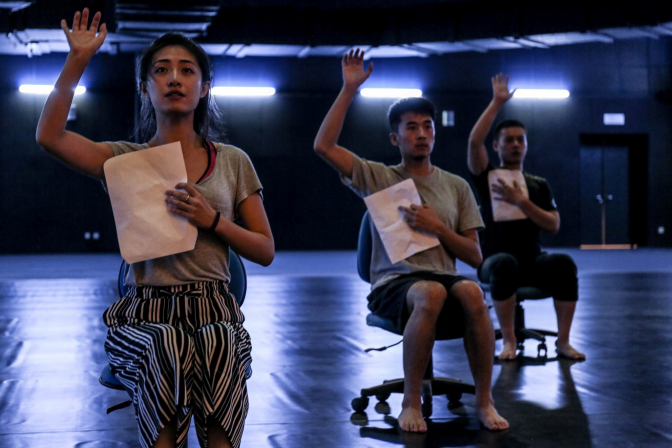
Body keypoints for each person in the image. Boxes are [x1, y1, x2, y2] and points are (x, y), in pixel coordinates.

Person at [36, 9, 274, 448]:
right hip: (147, 314)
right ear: (146, 89)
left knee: (220, 342)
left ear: (204, 88)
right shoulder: (125, 160)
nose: (174, 78)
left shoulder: (235, 161)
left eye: (187, 70)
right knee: (165, 345)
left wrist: (212, 220)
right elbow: (50, 136)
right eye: (161, 71)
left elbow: (264, 250)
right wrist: (77, 61)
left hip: (214, 310)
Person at [313, 49, 509, 432]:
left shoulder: (456, 186)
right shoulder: (380, 177)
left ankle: (485, 401)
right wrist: (349, 89)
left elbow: (474, 256)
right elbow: (323, 147)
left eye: (427, 126)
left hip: (446, 282)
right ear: (395, 137)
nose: (421, 134)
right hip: (395, 283)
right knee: (429, 293)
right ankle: (411, 403)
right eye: (411, 127)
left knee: (470, 292)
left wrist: (438, 227)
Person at [467, 73, 585, 361]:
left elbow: (553, 225)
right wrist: (497, 102)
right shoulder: (489, 177)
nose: (516, 144)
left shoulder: (537, 184)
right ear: (497, 146)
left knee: (564, 263)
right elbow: (474, 142)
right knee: (505, 264)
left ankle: (563, 342)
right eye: (509, 140)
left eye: (521, 140)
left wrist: (522, 202)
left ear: (527, 145)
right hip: (493, 262)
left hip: (531, 261)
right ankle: (508, 342)